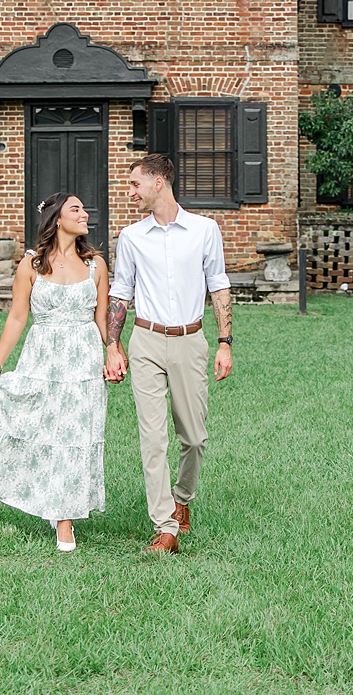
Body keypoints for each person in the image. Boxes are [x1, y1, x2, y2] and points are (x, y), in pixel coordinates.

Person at [0, 192, 109, 552]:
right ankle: (48, 499)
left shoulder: (96, 265)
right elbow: (17, 317)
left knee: (75, 438)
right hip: (42, 359)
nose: (85, 213)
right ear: (57, 219)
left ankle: (65, 521)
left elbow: (103, 320)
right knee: (46, 434)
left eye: (84, 208)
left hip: (83, 362)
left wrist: (114, 352)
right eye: (76, 208)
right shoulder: (30, 266)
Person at [104, 153, 232, 553]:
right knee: (152, 438)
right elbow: (121, 293)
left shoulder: (205, 230)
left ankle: (182, 500)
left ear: (159, 182)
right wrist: (113, 344)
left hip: (191, 341)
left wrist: (225, 342)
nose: (130, 193)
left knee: (193, 437)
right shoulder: (131, 237)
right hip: (145, 342)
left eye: (135, 184)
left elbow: (219, 285)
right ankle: (165, 527)